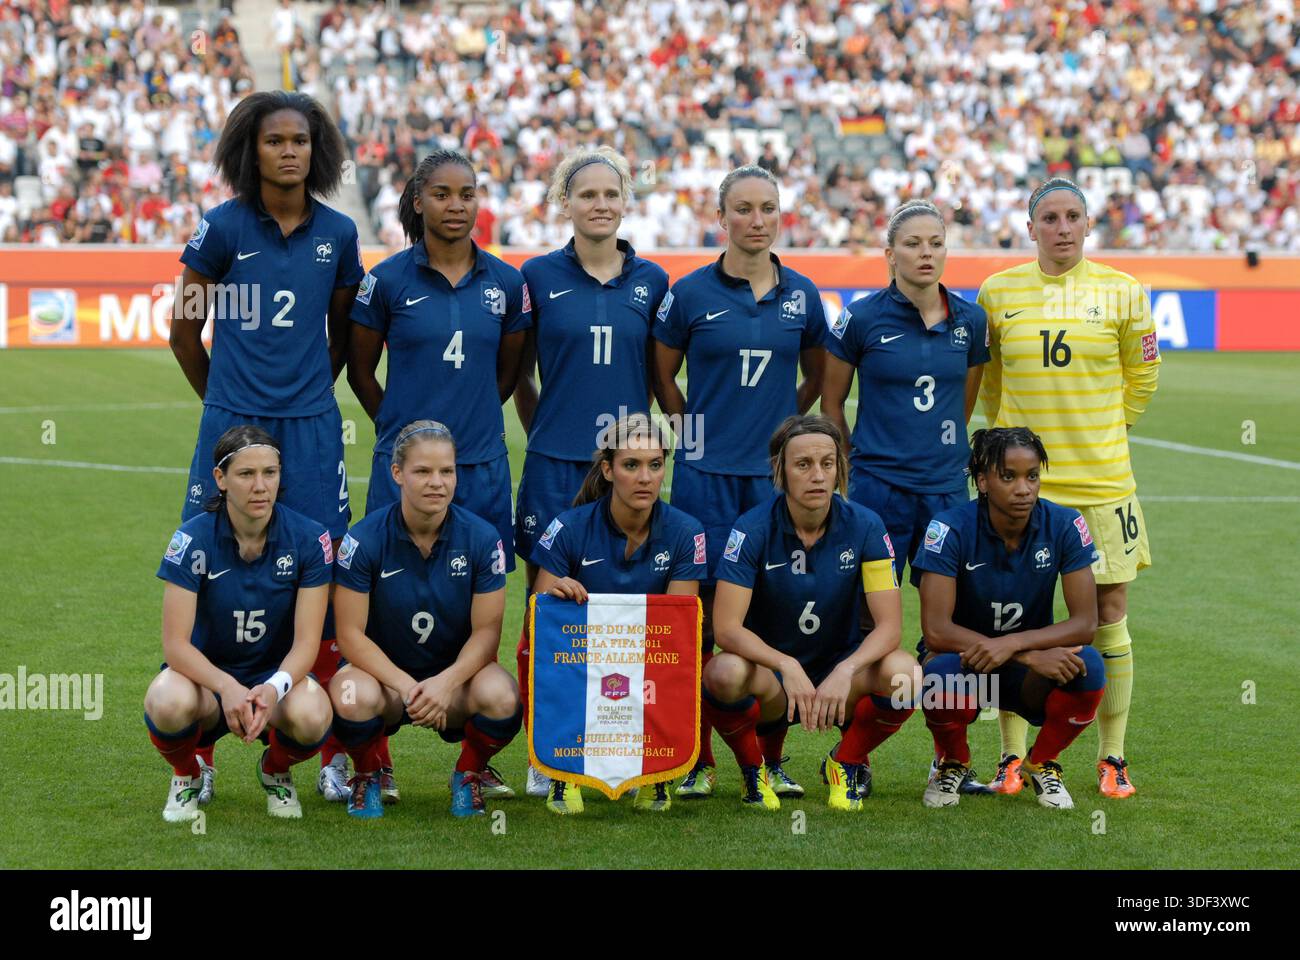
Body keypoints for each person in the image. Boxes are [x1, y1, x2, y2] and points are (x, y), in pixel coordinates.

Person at [168, 90, 363, 807]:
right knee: (210, 568)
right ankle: (198, 755)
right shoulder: (221, 227)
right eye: (275, 140)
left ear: (318, 150)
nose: (289, 151)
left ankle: (331, 754)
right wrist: (225, 409)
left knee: (328, 575)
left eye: (300, 141)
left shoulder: (339, 233)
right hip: (233, 419)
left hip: (311, 430)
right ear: (250, 149)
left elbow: (343, 336)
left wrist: (307, 396)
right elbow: (183, 332)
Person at [977, 177, 1159, 799]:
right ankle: (1011, 758)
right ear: (1030, 228)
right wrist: (1010, 451)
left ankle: (1113, 757)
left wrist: (1109, 429)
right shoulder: (998, 292)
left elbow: (1144, 373)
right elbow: (992, 382)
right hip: (1020, 489)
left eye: (1072, 217)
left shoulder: (1124, 292)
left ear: (1088, 224)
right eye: (1049, 218)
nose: (1062, 228)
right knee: (1012, 614)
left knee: (1109, 613)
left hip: (1102, 483)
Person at [652, 165, 826, 800]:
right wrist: (694, 435)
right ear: (720, 218)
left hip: (772, 485)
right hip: (704, 481)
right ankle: (695, 758)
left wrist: (783, 441)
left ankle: (770, 761)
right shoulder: (689, 293)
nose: (757, 220)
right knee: (698, 622)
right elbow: (662, 375)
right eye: (744, 209)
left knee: (770, 615)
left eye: (768, 208)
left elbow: (816, 378)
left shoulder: (803, 294)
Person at [512, 146, 670, 798]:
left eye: (611, 194)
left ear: (625, 201)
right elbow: (518, 373)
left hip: (626, 468)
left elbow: (660, 374)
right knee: (548, 609)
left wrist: (634, 450)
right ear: (565, 202)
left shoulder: (653, 280)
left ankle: (621, 739)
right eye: (587, 194)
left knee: (623, 608)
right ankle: (543, 748)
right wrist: (547, 432)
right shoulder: (536, 275)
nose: (600, 204)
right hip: (554, 465)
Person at [820, 198, 992, 793]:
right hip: (878, 494)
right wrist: (852, 473)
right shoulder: (861, 318)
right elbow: (832, 404)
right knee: (870, 623)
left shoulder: (971, 321)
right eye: (913, 244)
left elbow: (963, 405)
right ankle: (853, 757)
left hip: (945, 495)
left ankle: (949, 761)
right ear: (890, 254)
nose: (926, 253)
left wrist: (938, 458)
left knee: (948, 629)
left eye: (935, 243)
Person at [705, 415, 919, 811]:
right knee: (723, 672)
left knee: (906, 674)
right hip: (773, 678)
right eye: (803, 464)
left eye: (827, 463)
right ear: (780, 470)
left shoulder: (867, 526)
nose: (817, 475)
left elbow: (890, 628)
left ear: (839, 469)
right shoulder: (751, 529)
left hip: (841, 676)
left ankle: (845, 763)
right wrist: (785, 665)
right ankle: (756, 770)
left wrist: (846, 670)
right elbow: (726, 629)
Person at [348, 150, 531, 574]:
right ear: (418, 201)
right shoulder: (385, 280)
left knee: (479, 591)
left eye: (467, 195)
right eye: (442, 194)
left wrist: (475, 415)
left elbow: (508, 374)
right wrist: (396, 425)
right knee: (392, 586)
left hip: (480, 463)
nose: (456, 205)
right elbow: (359, 371)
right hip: (404, 465)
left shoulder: (507, 282)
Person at [328, 421, 521, 818]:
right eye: (423, 471)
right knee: (348, 695)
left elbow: (487, 633)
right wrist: (408, 687)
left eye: (446, 471)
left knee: (504, 697)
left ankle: (468, 773)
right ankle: (368, 774)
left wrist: (445, 683)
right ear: (397, 473)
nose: (437, 482)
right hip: (384, 682)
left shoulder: (483, 539)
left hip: (455, 683)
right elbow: (349, 635)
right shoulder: (363, 540)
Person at [144, 426, 334, 823]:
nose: (260, 486)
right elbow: (176, 645)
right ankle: (188, 774)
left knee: (314, 713)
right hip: (206, 683)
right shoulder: (192, 540)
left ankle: (275, 771)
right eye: (246, 474)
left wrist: (273, 687)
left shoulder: (309, 539)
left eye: (270, 473)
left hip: (272, 680)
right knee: (165, 700)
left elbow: (306, 644)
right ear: (220, 478)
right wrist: (226, 686)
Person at [913, 427, 1105, 810]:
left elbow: (1086, 623)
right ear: (982, 481)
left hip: (1029, 677)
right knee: (938, 675)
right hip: (968, 664)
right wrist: (1026, 654)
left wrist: (1014, 646)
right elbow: (936, 631)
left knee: (1089, 666)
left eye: (1032, 476)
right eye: (1008, 477)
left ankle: (1041, 762)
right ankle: (953, 762)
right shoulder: (949, 528)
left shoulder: (1065, 523)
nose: (1023, 489)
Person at [531, 413, 708, 814]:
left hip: (650, 653)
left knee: (677, 658)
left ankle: (656, 772)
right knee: (548, 653)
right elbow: (540, 622)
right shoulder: (569, 527)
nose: (645, 477)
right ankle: (564, 771)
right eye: (631, 465)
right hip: (586, 653)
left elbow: (677, 625)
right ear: (608, 470)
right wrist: (558, 595)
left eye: (655, 465)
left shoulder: (686, 531)